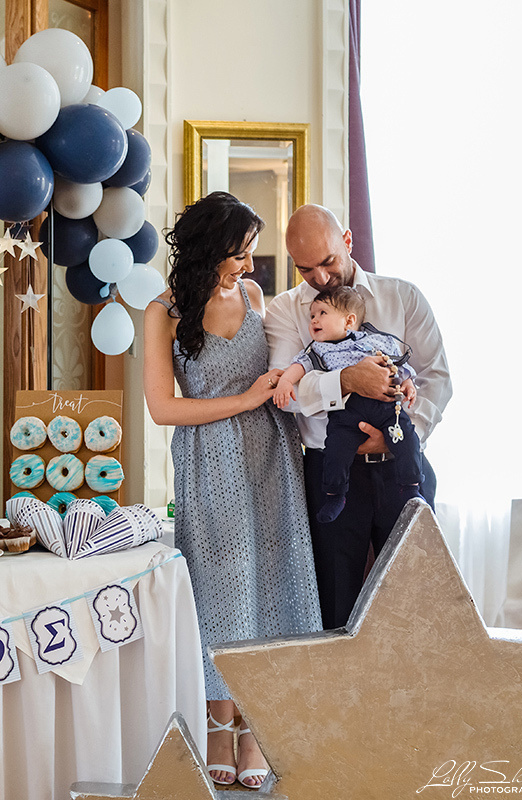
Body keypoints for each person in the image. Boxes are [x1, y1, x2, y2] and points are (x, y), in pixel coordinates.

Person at [143, 191, 322, 788]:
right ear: (209, 249)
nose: (250, 265)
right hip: (209, 461)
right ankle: (218, 724)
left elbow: (285, 369)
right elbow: (163, 408)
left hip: (270, 455)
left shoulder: (253, 297)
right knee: (220, 588)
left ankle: (255, 727)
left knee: (273, 582)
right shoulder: (164, 312)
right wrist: (243, 400)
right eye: (240, 253)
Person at [265, 204, 452, 631]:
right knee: (336, 605)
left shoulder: (403, 297)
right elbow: (285, 395)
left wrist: (401, 435)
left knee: (413, 599)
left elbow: (437, 377)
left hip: (404, 466)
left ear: (347, 241)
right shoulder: (285, 311)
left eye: (328, 261)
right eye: (305, 269)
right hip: (331, 472)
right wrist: (347, 380)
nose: (320, 278)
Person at [273, 286, 423, 523]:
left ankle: (411, 487)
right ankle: (335, 495)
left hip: (386, 408)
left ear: (349, 321)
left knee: (408, 439)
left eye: (322, 313)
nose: (314, 320)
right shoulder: (318, 349)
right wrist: (285, 382)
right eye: (312, 316)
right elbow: (298, 366)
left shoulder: (378, 340)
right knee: (335, 450)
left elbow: (400, 367)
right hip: (346, 412)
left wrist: (408, 384)